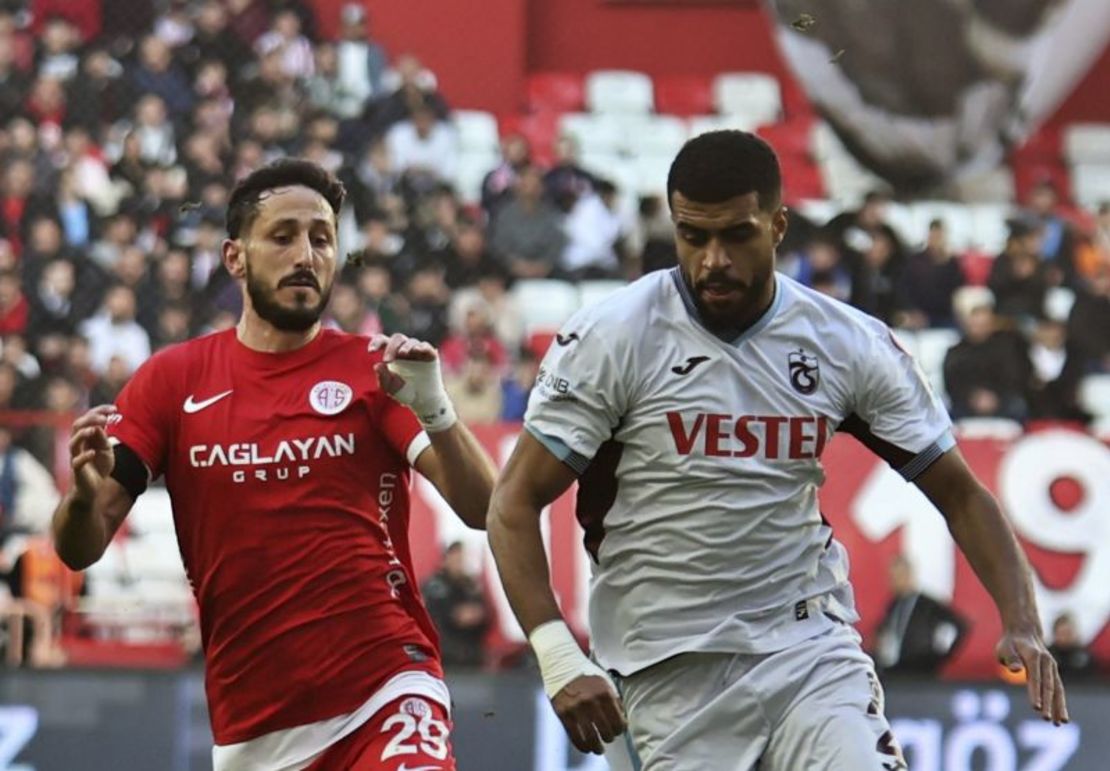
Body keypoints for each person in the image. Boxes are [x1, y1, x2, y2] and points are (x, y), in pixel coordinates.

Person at [487, 131, 1068, 771]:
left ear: (778, 225)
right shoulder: (613, 337)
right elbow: (513, 502)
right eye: (692, 236)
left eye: (736, 235)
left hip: (806, 646)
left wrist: (1021, 618)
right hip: (664, 667)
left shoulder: (846, 343)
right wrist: (557, 653)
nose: (712, 260)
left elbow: (959, 490)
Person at [51, 159, 497, 770]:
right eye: (283, 236)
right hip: (255, 732)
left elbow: (485, 509)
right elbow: (80, 547)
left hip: (387, 689)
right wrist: (81, 496)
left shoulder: (376, 371)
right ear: (235, 258)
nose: (306, 255)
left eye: (322, 238)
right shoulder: (171, 381)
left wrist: (437, 409)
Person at [873, 555, 968, 676]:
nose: (893, 582)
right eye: (891, 577)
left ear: (908, 575)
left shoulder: (927, 605)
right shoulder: (893, 604)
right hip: (894, 672)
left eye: (897, 577)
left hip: (920, 672)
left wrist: (940, 656)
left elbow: (960, 625)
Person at [421, 541, 491, 668]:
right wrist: (458, 615)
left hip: (472, 657)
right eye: (455, 558)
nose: (459, 562)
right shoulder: (434, 585)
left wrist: (474, 615)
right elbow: (442, 616)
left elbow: (483, 614)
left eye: (461, 558)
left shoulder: (470, 585)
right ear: (445, 559)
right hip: (444, 657)